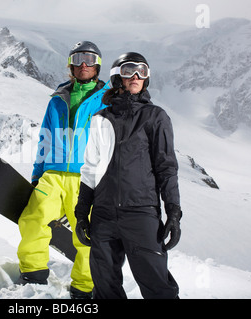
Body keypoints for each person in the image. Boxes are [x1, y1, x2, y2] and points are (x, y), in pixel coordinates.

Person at [74, 52, 182, 299]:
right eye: (129, 70)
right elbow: (90, 168)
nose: (136, 76)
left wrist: (173, 212)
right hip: (103, 214)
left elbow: (166, 167)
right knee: (104, 287)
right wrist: (82, 213)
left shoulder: (155, 116)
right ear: (116, 78)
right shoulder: (100, 119)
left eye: (142, 71)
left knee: (158, 286)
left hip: (141, 213)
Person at [16, 41, 109, 299]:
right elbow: (44, 138)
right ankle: (33, 275)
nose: (83, 64)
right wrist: (37, 175)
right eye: (78, 58)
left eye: (89, 59)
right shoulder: (57, 100)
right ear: (70, 64)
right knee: (33, 218)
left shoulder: (107, 101)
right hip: (53, 175)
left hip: (87, 178)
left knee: (88, 234)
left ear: (98, 65)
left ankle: (84, 287)